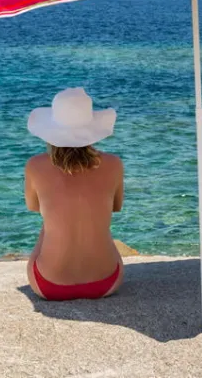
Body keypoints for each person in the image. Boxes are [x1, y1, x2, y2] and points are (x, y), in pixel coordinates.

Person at [23, 87, 124, 300]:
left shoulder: (34, 165)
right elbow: (116, 207)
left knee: (49, 221)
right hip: (107, 282)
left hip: (49, 286)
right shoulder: (114, 164)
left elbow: (33, 207)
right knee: (93, 218)